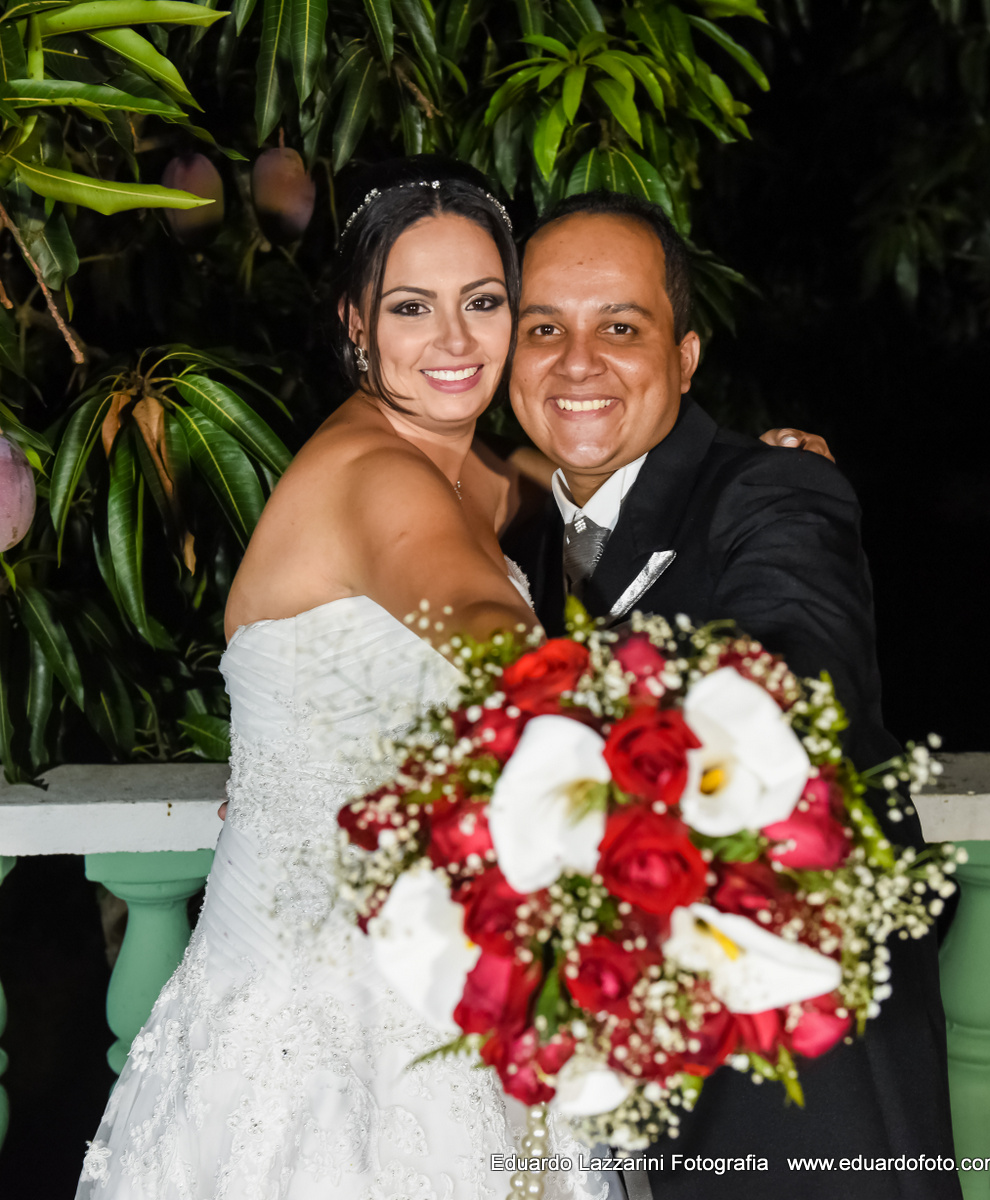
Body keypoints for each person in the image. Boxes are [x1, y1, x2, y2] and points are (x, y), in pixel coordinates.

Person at [75, 156, 829, 1200]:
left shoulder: (485, 474)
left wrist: (765, 470)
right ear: (354, 323)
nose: (454, 343)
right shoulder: (376, 474)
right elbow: (476, 618)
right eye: (411, 308)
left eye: (484, 303)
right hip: (327, 1039)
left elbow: (638, 503)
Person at [503, 190, 960, 1200]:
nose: (577, 362)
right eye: (544, 329)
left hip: (795, 1096)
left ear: (687, 355)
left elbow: (796, 674)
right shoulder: (505, 546)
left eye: (620, 326)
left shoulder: (771, 490)